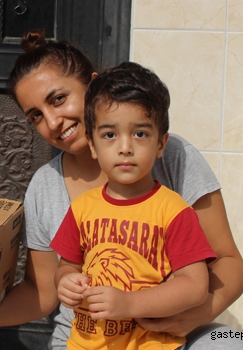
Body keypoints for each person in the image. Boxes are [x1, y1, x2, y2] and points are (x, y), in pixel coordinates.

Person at [0, 30, 243, 350]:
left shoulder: (172, 156)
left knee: (227, 343)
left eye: (58, 99)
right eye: (36, 116)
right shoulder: (45, 185)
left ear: (94, 88)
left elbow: (228, 260)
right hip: (87, 338)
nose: (53, 121)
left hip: (168, 332)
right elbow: (41, 292)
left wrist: (198, 312)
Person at [50, 61, 217, 349]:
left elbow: (194, 286)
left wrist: (130, 303)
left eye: (140, 133)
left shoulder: (174, 210)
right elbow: (68, 266)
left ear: (161, 144)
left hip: (150, 342)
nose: (125, 147)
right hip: (85, 342)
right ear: (92, 145)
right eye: (110, 135)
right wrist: (66, 282)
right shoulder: (81, 208)